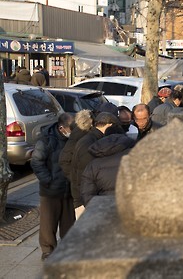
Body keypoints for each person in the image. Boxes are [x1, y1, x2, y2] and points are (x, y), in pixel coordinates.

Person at [30, 113, 75, 261]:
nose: (73, 131)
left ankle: (68, 247)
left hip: (68, 187)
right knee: (48, 223)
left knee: (68, 221)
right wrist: (48, 180)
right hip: (50, 189)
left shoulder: (73, 139)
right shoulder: (46, 140)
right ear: (62, 127)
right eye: (71, 128)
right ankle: (48, 250)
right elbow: (36, 162)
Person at [70, 112, 120, 217]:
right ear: (109, 125)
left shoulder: (90, 139)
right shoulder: (91, 144)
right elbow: (87, 177)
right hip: (86, 202)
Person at [80, 133, 136, 206]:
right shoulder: (136, 157)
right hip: (133, 207)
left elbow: (87, 195)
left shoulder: (93, 165)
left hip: (105, 209)